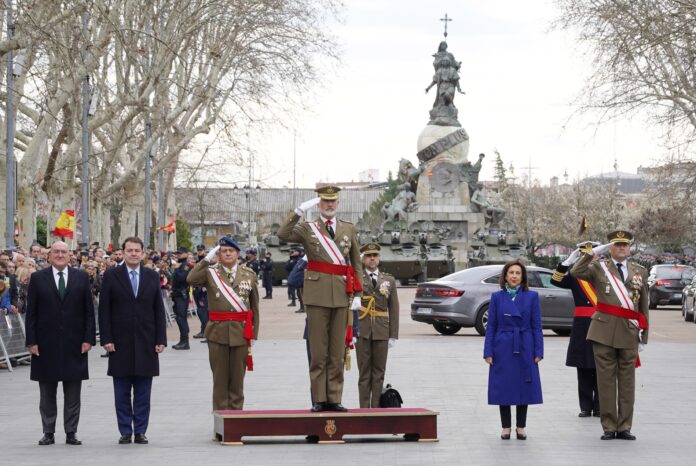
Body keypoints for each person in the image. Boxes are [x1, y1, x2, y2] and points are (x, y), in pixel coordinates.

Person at [278, 185, 363, 412]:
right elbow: (283, 235)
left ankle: (334, 398)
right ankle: (319, 399)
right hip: (316, 296)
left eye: (333, 201)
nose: (330, 205)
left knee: (337, 352)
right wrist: (298, 212)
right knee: (318, 352)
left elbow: (356, 263)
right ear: (319, 203)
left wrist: (358, 294)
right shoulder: (308, 229)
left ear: (338, 203)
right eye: (325, 201)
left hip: (342, 295)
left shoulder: (348, 228)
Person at [570, 230, 649, 441]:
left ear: (630, 247)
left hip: (629, 332)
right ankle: (608, 425)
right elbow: (576, 272)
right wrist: (592, 252)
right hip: (603, 332)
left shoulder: (640, 271)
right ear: (610, 247)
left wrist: (644, 336)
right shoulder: (598, 267)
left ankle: (624, 426)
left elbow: (643, 306)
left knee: (627, 382)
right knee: (605, 382)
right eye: (617, 244)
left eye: (625, 244)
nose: (622, 248)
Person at [24, 241, 96, 446]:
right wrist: (32, 341)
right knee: (47, 392)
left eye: (64, 252)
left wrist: (88, 338)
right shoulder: (38, 279)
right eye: (56, 251)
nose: (60, 255)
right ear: (49, 255)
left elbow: (89, 311)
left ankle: (71, 431)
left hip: (75, 344)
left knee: (73, 392)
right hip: (45, 345)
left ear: (70, 255)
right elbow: (31, 314)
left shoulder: (81, 277)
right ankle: (48, 431)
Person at [98, 237, 167, 445]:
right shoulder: (111, 275)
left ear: (143, 253)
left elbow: (158, 309)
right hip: (119, 342)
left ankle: (141, 431)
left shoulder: (152, 276)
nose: (134, 254)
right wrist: (107, 338)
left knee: (144, 392)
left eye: (137, 250)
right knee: (121, 392)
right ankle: (125, 430)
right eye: (130, 250)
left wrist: (160, 338)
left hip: (147, 341)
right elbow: (104, 310)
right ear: (123, 252)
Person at [186, 236, 260, 410]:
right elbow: (191, 279)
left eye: (231, 251)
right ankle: (222, 424)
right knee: (219, 381)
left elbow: (254, 308)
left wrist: (254, 334)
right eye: (223, 251)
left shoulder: (249, 275)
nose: (227, 254)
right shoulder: (210, 272)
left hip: (241, 333)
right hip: (217, 334)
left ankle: (236, 420)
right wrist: (206, 260)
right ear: (218, 254)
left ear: (237, 253)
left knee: (237, 381)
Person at [483, 259, 543, 440]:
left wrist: (538, 351)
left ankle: (521, 427)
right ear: (505, 276)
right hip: (502, 346)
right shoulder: (497, 297)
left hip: (525, 344)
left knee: (523, 384)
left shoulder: (532, 296)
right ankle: (506, 427)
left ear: (523, 276)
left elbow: (537, 326)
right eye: (511, 273)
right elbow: (491, 326)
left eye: (518, 273)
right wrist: (488, 351)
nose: (514, 276)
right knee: (503, 386)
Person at [551, 242, 601, 418]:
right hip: (582, 326)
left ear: (598, 255)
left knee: (601, 366)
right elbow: (555, 281)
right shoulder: (574, 276)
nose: (587, 258)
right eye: (583, 255)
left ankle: (600, 406)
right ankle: (585, 406)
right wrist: (566, 262)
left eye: (591, 254)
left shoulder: (604, 274)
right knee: (583, 367)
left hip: (602, 324)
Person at [356, 243, 399, 408]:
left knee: (379, 373)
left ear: (379, 258)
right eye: (368, 256)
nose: (372, 258)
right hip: (363, 331)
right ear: (363, 259)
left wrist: (393, 334)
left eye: (375, 255)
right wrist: (352, 331)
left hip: (382, 331)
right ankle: (363, 410)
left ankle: (376, 410)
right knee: (364, 373)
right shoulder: (358, 278)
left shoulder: (388, 280)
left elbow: (394, 308)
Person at [170, 247, 192, 350]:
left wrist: (176, 269)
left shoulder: (186, 266)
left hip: (182, 295)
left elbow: (182, 278)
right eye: (177, 253)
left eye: (180, 253)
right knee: (179, 317)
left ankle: (185, 341)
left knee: (181, 317)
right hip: (177, 294)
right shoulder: (180, 265)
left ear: (186, 254)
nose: (178, 255)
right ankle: (182, 340)